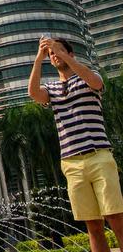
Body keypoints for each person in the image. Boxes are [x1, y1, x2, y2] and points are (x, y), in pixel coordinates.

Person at [28, 36, 123, 252]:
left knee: (116, 217)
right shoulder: (51, 89)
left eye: (59, 51)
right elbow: (34, 93)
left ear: (71, 54)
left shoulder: (88, 78)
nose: (54, 55)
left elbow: (97, 83)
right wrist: (38, 58)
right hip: (71, 162)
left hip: (98, 154)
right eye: (52, 54)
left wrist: (60, 53)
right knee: (93, 225)